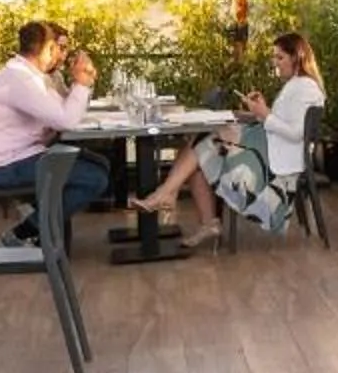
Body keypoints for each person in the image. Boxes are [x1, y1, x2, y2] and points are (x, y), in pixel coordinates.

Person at [130, 31, 325, 246]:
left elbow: (297, 133)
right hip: (268, 146)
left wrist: (264, 114)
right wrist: (261, 110)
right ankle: (189, 210)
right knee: (198, 150)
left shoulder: (305, 88)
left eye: (280, 57)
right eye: (274, 57)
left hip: (274, 161)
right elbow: (282, 121)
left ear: (297, 57)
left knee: (201, 144)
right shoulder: (296, 85)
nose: (275, 63)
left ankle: (168, 196)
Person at [0, 20, 110, 241]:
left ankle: (37, 219)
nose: (61, 55)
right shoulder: (21, 80)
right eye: (58, 48)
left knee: (99, 164)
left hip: (16, 157)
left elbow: (62, 111)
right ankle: (23, 233)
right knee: (93, 178)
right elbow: (66, 121)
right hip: (1, 168)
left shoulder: (27, 76)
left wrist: (81, 84)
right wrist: (81, 83)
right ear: (48, 48)